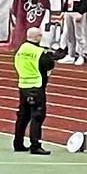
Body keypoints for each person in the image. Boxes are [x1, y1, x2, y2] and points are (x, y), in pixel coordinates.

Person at [14, 26, 64, 156]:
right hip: (36, 87)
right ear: (37, 38)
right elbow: (49, 65)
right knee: (37, 116)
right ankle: (35, 145)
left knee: (22, 116)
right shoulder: (39, 52)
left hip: (23, 85)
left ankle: (18, 143)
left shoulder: (21, 49)